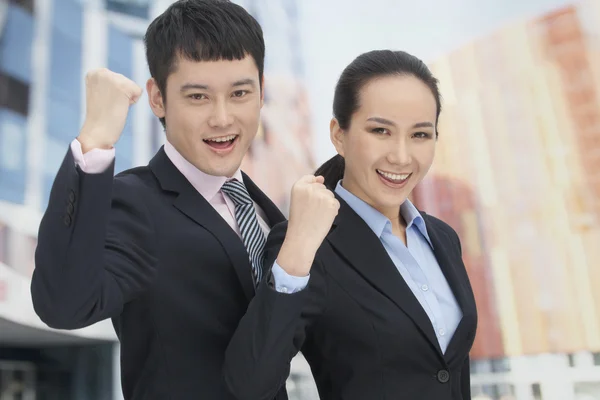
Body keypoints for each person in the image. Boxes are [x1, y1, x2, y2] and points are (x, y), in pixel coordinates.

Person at [30, 1, 304, 398]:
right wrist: (94, 140)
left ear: (261, 91)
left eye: (240, 92)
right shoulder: (135, 203)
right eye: (198, 97)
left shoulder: (267, 215)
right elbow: (63, 305)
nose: (223, 118)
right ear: (157, 98)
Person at [223, 50, 478, 400]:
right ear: (338, 135)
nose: (401, 156)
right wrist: (297, 247)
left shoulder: (442, 239)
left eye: (420, 135)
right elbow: (250, 385)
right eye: (380, 131)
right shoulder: (308, 242)